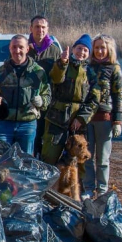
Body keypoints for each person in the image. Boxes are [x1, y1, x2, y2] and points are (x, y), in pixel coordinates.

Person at [40, 34, 100, 165]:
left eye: (85, 50)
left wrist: (81, 118)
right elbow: (55, 78)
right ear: (73, 49)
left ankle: (75, 186)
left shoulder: (90, 73)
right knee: (49, 156)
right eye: (79, 48)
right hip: (56, 118)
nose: (81, 52)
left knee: (77, 162)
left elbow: (94, 99)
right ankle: (46, 185)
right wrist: (62, 63)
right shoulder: (62, 64)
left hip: (78, 123)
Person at [0, 34, 50, 155]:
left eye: (21, 47)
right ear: (10, 49)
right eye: (14, 47)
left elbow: (47, 96)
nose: (17, 50)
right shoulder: (0, 72)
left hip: (27, 124)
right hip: (4, 123)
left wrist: (41, 101)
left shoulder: (38, 72)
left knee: (24, 163)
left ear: (27, 49)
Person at [83, 34, 122, 198]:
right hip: (87, 117)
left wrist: (117, 120)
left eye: (103, 48)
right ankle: (87, 187)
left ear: (109, 49)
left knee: (103, 158)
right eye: (97, 47)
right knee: (87, 155)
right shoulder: (88, 66)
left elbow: (118, 95)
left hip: (104, 118)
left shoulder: (114, 68)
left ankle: (102, 189)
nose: (99, 51)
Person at [28, 15, 63, 157]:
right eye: (37, 27)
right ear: (31, 28)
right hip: (28, 101)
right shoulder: (24, 47)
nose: (40, 30)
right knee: (31, 137)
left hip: (48, 102)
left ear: (47, 29)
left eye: (43, 27)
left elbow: (59, 78)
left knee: (44, 137)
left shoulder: (54, 50)